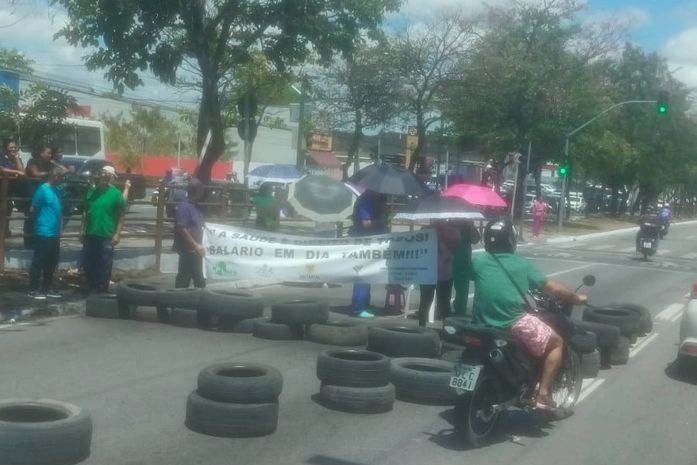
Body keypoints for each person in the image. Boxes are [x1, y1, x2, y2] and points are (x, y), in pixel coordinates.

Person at [471, 218, 587, 411]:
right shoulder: (521, 264)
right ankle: (542, 395)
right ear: (510, 240)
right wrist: (576, 298)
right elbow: (553, 288)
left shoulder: (479, 262)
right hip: (512, 322)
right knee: (557, 342)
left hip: (481, 323)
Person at [81, 165, 126, 294]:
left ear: (110, 179)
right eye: (101, 177)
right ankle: (91, 287)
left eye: (106, 177)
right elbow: (85, 213)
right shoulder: (91, 192)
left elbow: (121, 215)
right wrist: (82, 231)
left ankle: (101, 290)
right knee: (89, 262)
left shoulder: (116, 194)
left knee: (104, 264)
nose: (103, 180)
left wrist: (117, 234)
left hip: (106, 234)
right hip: (91, 233)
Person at [27, 165, 68, 300]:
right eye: (61, 176)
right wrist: (38, 225)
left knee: (51, 262)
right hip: (43, 232)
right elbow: (33, 210)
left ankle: (47, 288)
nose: (62, 179)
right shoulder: (42, 190)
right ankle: (32, 289)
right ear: (55, 176)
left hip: (54, 233)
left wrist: (59, 229)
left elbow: (59, 210)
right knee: (39, 262)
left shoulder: (56, 190)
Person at [350, 190, 388, 318]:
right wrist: (382, 220)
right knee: (362, 275)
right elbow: (366, 223)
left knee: (368, 274)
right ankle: (358, 308)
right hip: (364, 242)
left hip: (371, 241)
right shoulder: (366, 201)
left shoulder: (373, 200)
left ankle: (364, 304)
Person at [417, 221, 460, 327]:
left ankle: (448, 330)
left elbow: (457, 248)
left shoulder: (453, 231)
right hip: (428, 272)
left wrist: (444, 239)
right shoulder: (425, 230)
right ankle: (421, 328)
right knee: (425, 302)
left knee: (444, 304)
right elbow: (418, 246)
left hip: (445, 273)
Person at [174, 178, 206, 289]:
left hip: (197, 250)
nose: (203, 192)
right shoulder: (184, 207)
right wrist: (195, 245)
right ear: (196, 191)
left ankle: (198, 301)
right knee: (185, 278)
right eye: (202, 189)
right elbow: (182, 228)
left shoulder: (197, 207)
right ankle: (176, 302)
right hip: (188, 250)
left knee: (198, 278)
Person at [23, 145, 54, 248]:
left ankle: (37, 241)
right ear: (41, 153)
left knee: (40, 218)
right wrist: (50, 173)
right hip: (31, 193)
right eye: (48, 153)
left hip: (43, 194)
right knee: (30, 217)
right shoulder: (33, 161)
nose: (50, 155)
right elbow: (35, 173)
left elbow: (61, 171)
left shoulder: (50, 164)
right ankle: (28, 242)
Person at [452, 219, 481, 316]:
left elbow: (476, 239)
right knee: (446, 288)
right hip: (448, 260)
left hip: (462, 261)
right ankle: (445, 309)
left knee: (462, 289)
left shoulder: (467, 225)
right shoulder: (447, 223)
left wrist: (469, 225)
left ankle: (460, 309)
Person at [0, 139, 25, 236]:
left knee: (7, 212)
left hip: (9, 192)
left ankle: (4, 235)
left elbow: (23, 171)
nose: (14, 149)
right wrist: (16, 172)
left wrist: (17, 159)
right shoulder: (1, 157)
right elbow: (1, 169)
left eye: (15, 147)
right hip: (1, 190)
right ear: (6, 149)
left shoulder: (16, 159)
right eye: (11, 147)